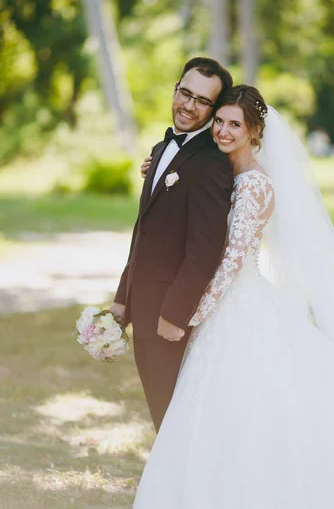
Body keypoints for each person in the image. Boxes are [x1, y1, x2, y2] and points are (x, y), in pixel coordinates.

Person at [133, 85, 334, 508]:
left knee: (244, 404)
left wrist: (192, 313)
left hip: (236, 306)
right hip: (225, 306)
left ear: (255, 132)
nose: (221, 130)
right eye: (218, 121)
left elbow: (233, 261)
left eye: (233, 124)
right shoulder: (222, 171)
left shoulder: (254, 184)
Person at [109, 57, 234, 432]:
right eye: (185, 93)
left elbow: (206, 249)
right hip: (142, 306)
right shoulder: (161, 148)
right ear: (175, 88)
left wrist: (175, 315)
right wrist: (121, 299)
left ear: (214, 110)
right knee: (161, 417)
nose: (188, 105)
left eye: (201, 101)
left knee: (174, 421)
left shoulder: (212, 164)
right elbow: (144, 232)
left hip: (169, 318)